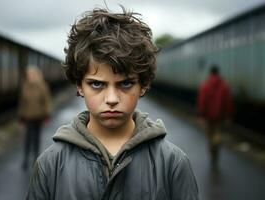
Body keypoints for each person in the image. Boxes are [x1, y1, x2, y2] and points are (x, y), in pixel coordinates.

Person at [26, 7, 199, 200]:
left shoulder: (172, 163)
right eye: (97, 84)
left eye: (125, 83)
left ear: (143, 85)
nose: (111, 99)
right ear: (79, 85)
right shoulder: (50, 165)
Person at [197, 64, 233, 166]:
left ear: (210, 73)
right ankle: (216, 144)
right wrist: (228, 115)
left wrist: (201, 115)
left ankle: (213, 154)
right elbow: (228, 102)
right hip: (220, 117)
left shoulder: (205, 85)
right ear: (218, 73)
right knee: (217, 134)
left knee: (210, 137)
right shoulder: (224, 86)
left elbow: (202, 102)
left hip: (208, 117)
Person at [18, 65, 52, 170]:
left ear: (36, 75)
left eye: (32, 74)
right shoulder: (25, 86)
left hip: (38, 117)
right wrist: (21, 117)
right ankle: (25, 160)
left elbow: (46, 102)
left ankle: (35, 159)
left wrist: (47, 116)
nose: (30, 76)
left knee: (36, 139)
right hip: (28, 117)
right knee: (27, 139)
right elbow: (22, 103)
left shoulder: (42, 86)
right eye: (28, 75)